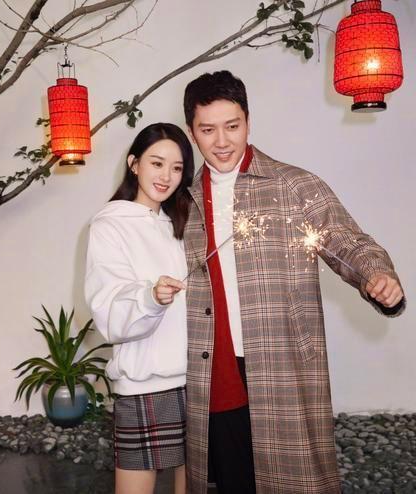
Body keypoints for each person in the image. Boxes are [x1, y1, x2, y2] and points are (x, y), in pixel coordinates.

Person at [181, 70, 405, 494]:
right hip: (215, 369)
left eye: (232, 126)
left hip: (283, 361)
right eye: (208, 130)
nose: (222, 141)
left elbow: (348, 242)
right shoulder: (183, 202)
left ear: (249, 121)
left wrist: (377, 275)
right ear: (192, 131)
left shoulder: (294, 185)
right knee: (232, 482)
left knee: (296, 480)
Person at [85, 122, 194, 494]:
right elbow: (108, 312)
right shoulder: (109, 225)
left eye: (176, 168)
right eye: (156, 163)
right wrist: (151, 297)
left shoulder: (182, 224)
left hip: (197, 378)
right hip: (145, 384)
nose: (166, 176)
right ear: (134, 164)